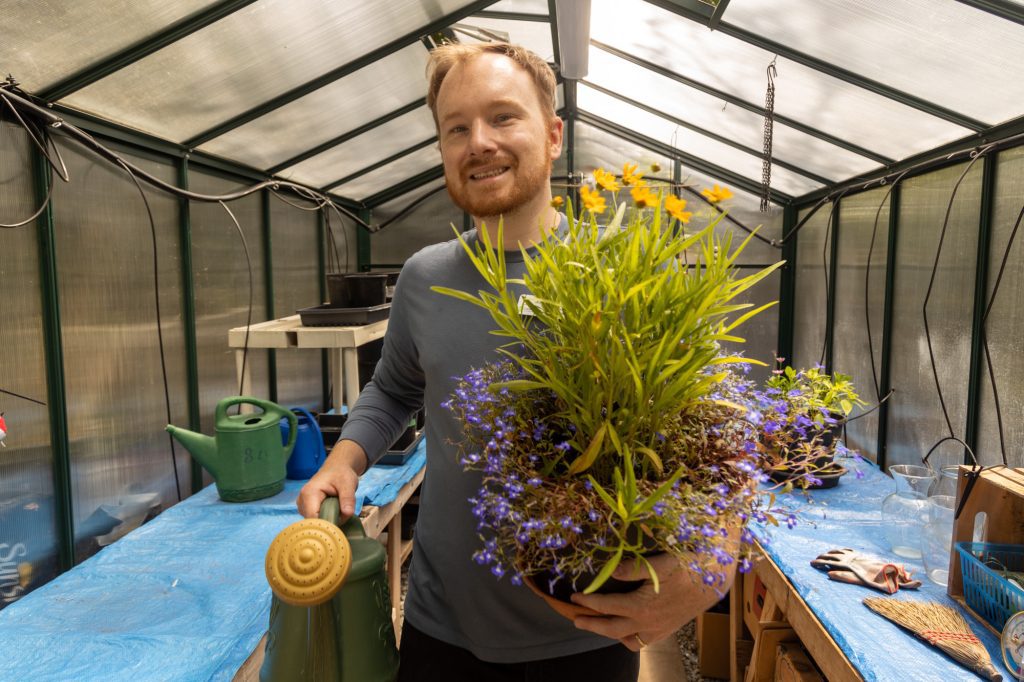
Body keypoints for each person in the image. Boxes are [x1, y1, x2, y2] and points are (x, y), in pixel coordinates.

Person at [296, 42, 735, 682]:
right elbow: (394, 390)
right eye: (457, 128)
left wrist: (715, 559)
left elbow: (710, 429)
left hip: (583, 629)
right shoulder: (424, 277)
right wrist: (345, 457)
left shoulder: (622, 276)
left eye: (504, 117)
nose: (479, 142)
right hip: (438, 624)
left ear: (554, 135)